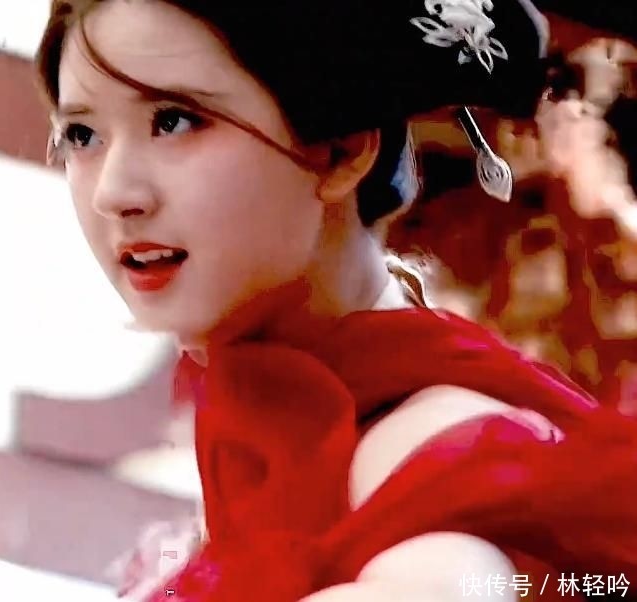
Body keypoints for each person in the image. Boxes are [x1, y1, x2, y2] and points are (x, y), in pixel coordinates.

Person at [34, 1, 637, 600]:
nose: (113, 192)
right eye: (81, 135)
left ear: (342, 151)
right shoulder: (264, 416)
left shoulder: (435, 459)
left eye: (175, 121)